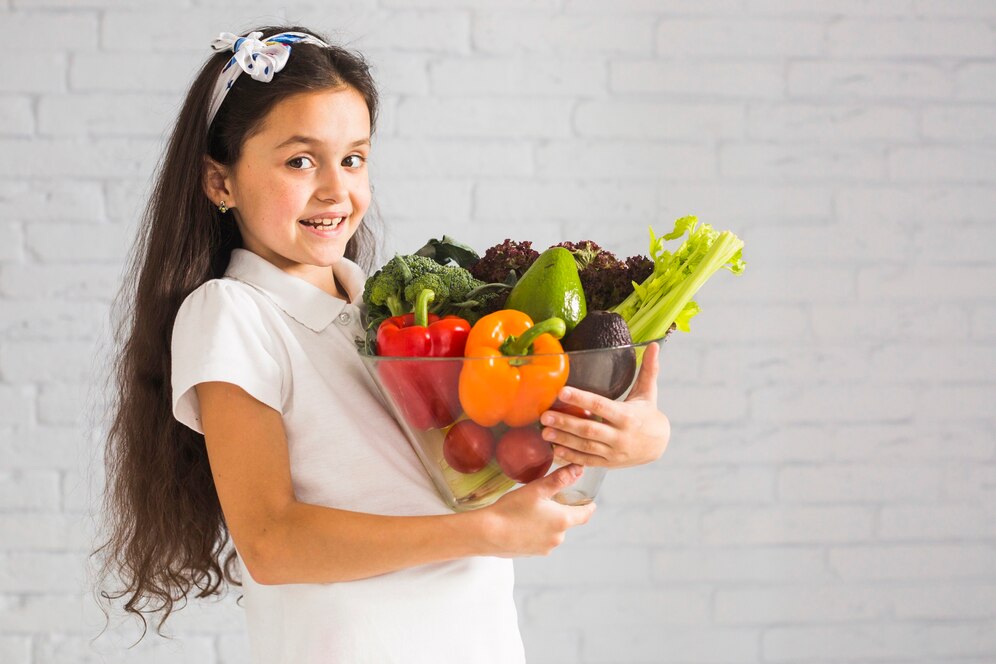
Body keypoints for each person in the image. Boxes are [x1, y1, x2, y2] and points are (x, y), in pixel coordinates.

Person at [91, 24, 671, 663]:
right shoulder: (230, 312)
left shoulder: (390, 315)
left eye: (354, 158)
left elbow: (497, 451)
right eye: (299, 160)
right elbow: (272, 542)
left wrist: (633, 437)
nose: (336, 189)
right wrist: (483, 531)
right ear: (218, 181)